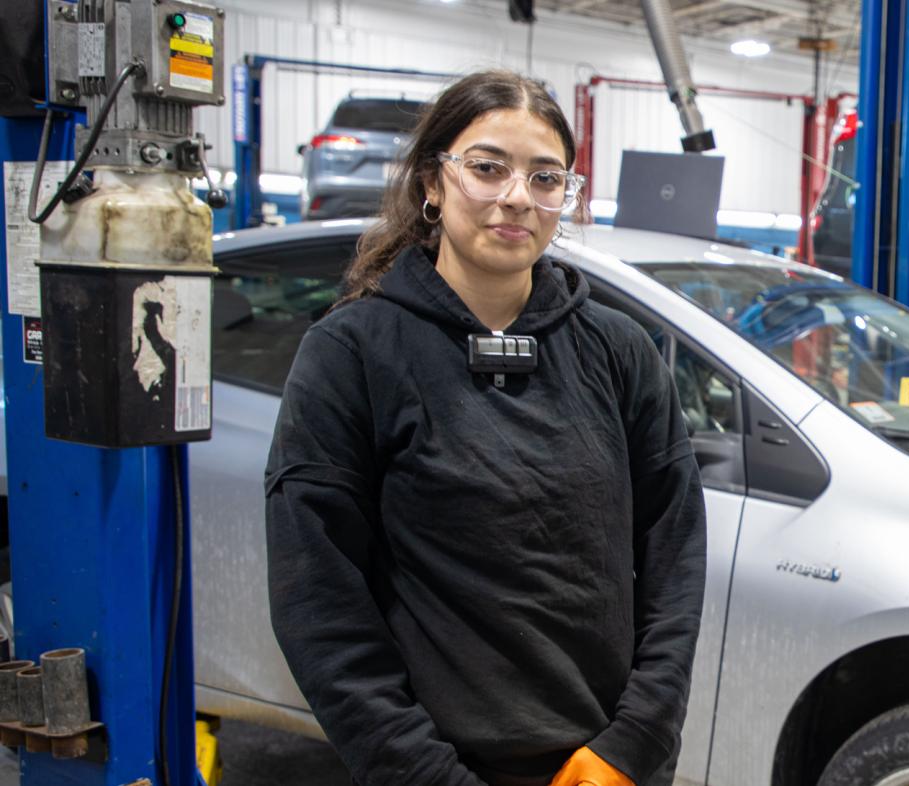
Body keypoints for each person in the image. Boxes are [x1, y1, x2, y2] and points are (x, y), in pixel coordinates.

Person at [264, 70, 706, 786]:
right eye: (487, 167)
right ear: (433, 183)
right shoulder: (353, 354)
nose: (515, 198)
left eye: (544, 177)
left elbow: (674, 558)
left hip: (605, 768)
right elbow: (320, 603)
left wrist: (633, 745)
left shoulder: (620, 351)